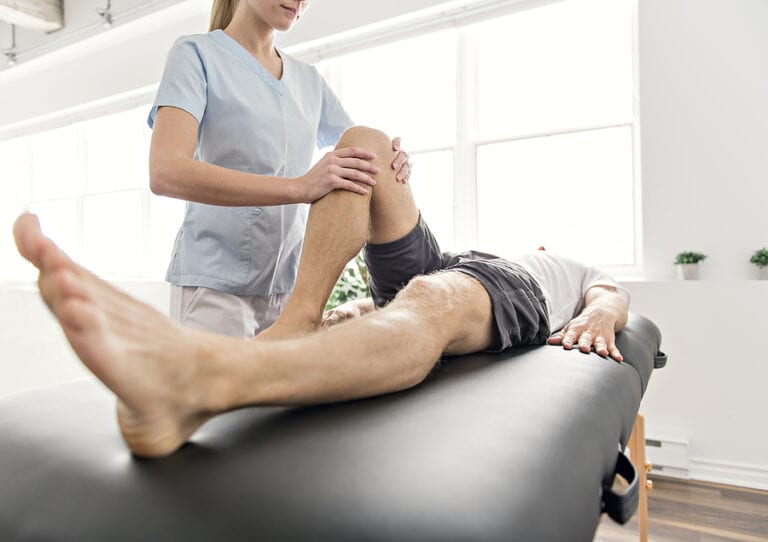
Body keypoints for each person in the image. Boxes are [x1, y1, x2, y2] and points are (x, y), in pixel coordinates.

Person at [14, 126, 629, 459]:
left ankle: (201, 380)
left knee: (431, 301)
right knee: (363, 145)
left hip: (500, 287)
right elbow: (431, 276)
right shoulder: (497, 254)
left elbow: (610, 295)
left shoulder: (562, 268)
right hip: (455, 260)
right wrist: (361, 307)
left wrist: (601, 314)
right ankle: (299, 317)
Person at [148, 0, 412, 338]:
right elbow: (166, 171)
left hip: (288, 294)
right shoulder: (196, 54)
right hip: (214, 289)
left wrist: (390, 161)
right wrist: (300, 187)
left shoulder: (308, 80)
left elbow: (360, 153)